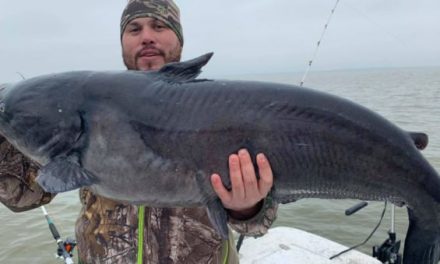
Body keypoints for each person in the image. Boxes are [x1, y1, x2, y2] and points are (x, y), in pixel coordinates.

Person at [0, 0, 279, 263]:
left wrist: (246, 208)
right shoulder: (86, 106)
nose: (147, 36)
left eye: (159, 26)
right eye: (135, 29)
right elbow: (23, 195)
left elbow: (257, 227)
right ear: (123, 41)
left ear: (178, 39)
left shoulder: (222, 112)